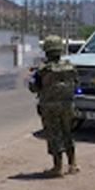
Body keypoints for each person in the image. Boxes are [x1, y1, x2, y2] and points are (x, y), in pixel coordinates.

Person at [28, 36, 79, 177]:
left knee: (54, 135)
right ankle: (73, 165)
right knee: (67, 133)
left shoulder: (43, 70)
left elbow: (33, 88)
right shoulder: (70, 66)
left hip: (50, 107)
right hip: (68, 105)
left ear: (46, 51)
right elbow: (76, 84)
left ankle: (58, 167)